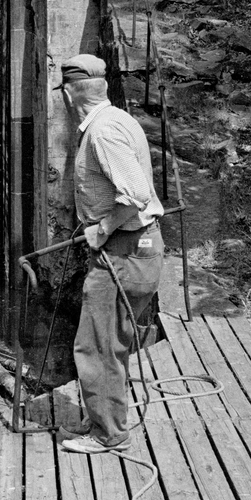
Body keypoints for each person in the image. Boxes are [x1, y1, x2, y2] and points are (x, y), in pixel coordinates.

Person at [58, 54, 164, 454]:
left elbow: (135, 194)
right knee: (111, 341)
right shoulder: (119, 118)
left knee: (96, 345)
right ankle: (105, 414)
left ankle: (108, 434)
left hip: (125, 252)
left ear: (71, 95)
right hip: (136, 249)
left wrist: (101, 229)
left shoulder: (102, 133)